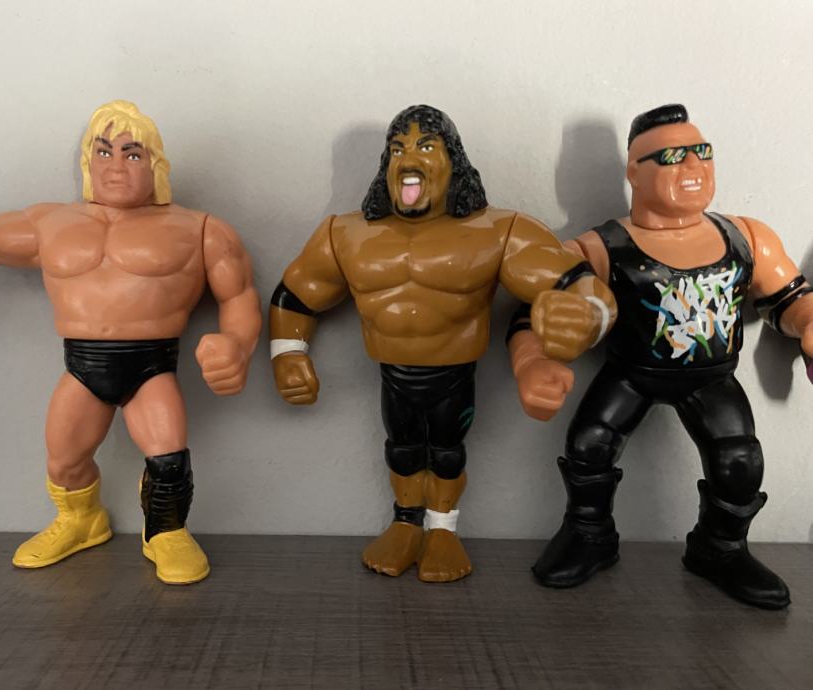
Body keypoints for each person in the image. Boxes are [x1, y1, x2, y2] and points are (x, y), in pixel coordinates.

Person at [0, 100, 261, 585]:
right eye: (103, 151)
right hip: (83, 366)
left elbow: (238, 296)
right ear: (88, 161)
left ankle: (166, 531)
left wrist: (236, 345)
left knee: (168, 458)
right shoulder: (52, 222)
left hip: (152, 367)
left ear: (156, 164)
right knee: (64, 460)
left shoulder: (201, 229)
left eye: (132, 154)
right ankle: (82, 521)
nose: (115, 165)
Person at [269, 105, 616, 582]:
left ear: (454, 160)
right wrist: (288, 353)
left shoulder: (499, 231)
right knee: (402, 449)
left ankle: (443, 530)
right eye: (398, 149)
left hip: (454, 375)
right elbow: (296, 295)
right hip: (393, 374)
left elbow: (576, 281)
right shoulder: (344, 233)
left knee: (448, 452)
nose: (408, 158)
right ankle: (406, 523)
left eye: (426, 146)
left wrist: (588, 315)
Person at [510, 104, 813, 609]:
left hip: (711, 377)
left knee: (739, 461)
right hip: (631, 373)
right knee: (589, 444)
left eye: (702, 153)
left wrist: (807, 324)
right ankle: (589, 535)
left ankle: (720, 548)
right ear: (634, 170)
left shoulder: (746, 237)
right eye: (673, 157)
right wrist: (532, 362)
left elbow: (787, 298)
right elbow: (536, 310)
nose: (694, 166)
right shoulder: (601, 247)